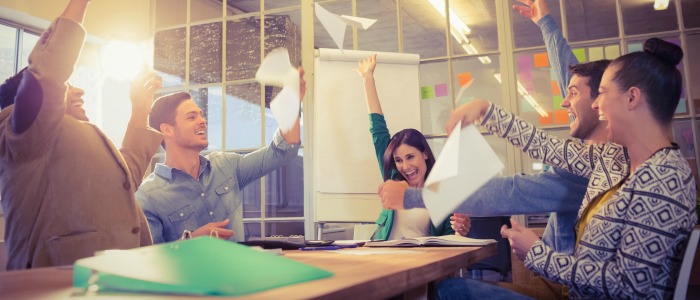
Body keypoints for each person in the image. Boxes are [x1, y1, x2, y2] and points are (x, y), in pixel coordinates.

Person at [438, 37, 697, 299]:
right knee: (449, 289)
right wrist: (484, 110)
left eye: (603, 93)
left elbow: (628, 286)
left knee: (451, 291)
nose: (596, 104)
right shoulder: (615, 158)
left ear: (632, 98)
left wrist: (539, 254)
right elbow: (543, 145)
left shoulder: (664, 178)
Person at [0, 0, 164, 270]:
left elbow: (127, 176)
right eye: (66, 86)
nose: (78, 92)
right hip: (58, 287)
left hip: (116, 281)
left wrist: (139, 110)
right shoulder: (23, 136)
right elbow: (47, 73)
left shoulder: (76, 141)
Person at [136, 70, 305, 244]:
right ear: (167, 129)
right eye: (191, 117)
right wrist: (191, 240)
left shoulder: (226, 165)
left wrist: (292, 104)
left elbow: (282, 151)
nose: (203, 121)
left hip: (239, 271)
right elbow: (150, 259)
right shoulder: (147, 197)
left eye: (201, 115)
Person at [354, 54, 470, 240]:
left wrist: (459, 230)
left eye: (410, 157)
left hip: (423, 261)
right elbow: (378, 130)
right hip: (386, 254)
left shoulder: (442, 190)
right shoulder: (393, 178)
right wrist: (368, 78)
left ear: (424, 154)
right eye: (398, 160)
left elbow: (450, 238)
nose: (405, 166)